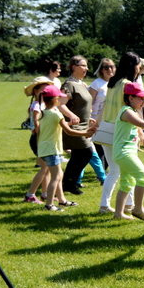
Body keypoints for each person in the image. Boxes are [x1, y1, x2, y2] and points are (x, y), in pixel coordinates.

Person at [34, 85, 97, 211]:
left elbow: (55, 126)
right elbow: (69, 132)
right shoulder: (57, 114)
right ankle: (49, 204)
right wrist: (86, 133)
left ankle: (61, 201)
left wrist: (69, 123)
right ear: (55, 99)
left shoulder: (44, 113)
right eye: (60, 98)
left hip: (44, 149)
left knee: (59, 174)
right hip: (52, 149)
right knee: (56, 176)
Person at [98, 52, 144, 214]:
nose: (139, 69)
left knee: (116, 170)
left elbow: (104, 107)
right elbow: (130, 113)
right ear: (133, 66)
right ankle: (110, 205)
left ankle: (125, 204)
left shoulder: (113, 82)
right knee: (125, 171)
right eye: (138, 65)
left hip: (106, 129)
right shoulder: (127, 85)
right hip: (121, 132)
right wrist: (141, 133)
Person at [113, 83, 144, 221]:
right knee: (143, 177)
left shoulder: (131, 111)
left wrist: (143, 137)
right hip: (124, 152)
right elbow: (142, 124)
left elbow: (138, 128)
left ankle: (118, 213)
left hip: (127, 151)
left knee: (127, 182)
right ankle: (138, 209)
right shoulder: (126, 111)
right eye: (140, 98)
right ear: (130, 98)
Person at [59, 56, 101, 196]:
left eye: (87, 66)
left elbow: (84, 105)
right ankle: (68, 183)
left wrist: (89, 119)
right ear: (73, 67)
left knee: (78, 155)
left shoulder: (82, 84)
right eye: (83, 65)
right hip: (74, 127)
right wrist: (71, 115)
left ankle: (68, 184)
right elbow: (60, 104)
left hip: (84, 125)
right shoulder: (69, 85)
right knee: (86, 153)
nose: (87, 69)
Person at [24, 77, 54, 203]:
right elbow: (36, 122)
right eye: (43, 89)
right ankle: (30, 195)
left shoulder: (42, 104)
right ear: (35, 91)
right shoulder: (37, 105)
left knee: (46, 168)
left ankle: (45, 193)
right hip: (38, 139)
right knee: (44, 168)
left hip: (43, 139)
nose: (45, 91)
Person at [89, 58, 115, 171]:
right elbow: (89, 102)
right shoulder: (97, 83)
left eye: (111, 66)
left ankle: (104, 172)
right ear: (101, 70)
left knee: (109, 146)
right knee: (99, 148)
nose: (109, 69)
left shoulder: (116, 83)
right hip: (96, 120)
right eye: (106, 67)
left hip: (110, 120)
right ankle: (102, 174)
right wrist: (89, 117)